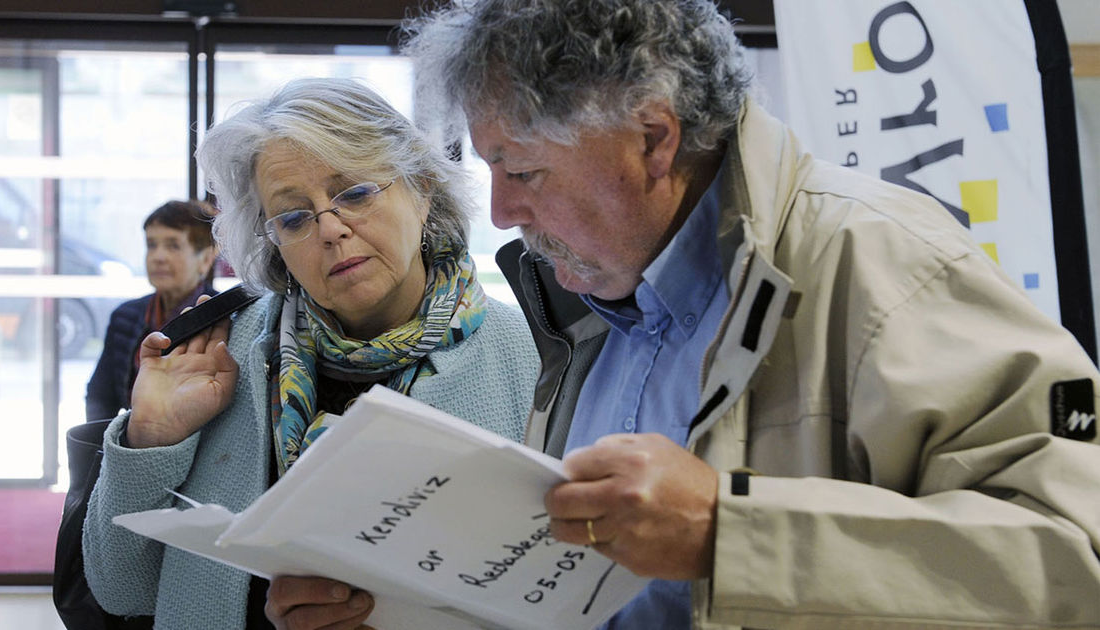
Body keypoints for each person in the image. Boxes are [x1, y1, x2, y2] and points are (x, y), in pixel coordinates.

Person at [403, 1, 1100, 628]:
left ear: (652, 138)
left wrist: (730, 532)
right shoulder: (581, 315)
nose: (499, 212)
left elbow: (1073, 562)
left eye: (521, 171)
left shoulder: (884, 261)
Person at [81, 77, 540, 630]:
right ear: (270, 239)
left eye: (355, 193)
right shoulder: (219, 353)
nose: (329, 229)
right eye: (294, 217)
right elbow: (119, 589)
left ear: (420, 191)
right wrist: (150, 440)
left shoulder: (534, 360)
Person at [85, 200, 218, 421]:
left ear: (204, 259)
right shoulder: (125, 316)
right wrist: (103, 449)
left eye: (173, 245)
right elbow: (100, 396)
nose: (158, 257)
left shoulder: (223, 317)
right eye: (151, 245)